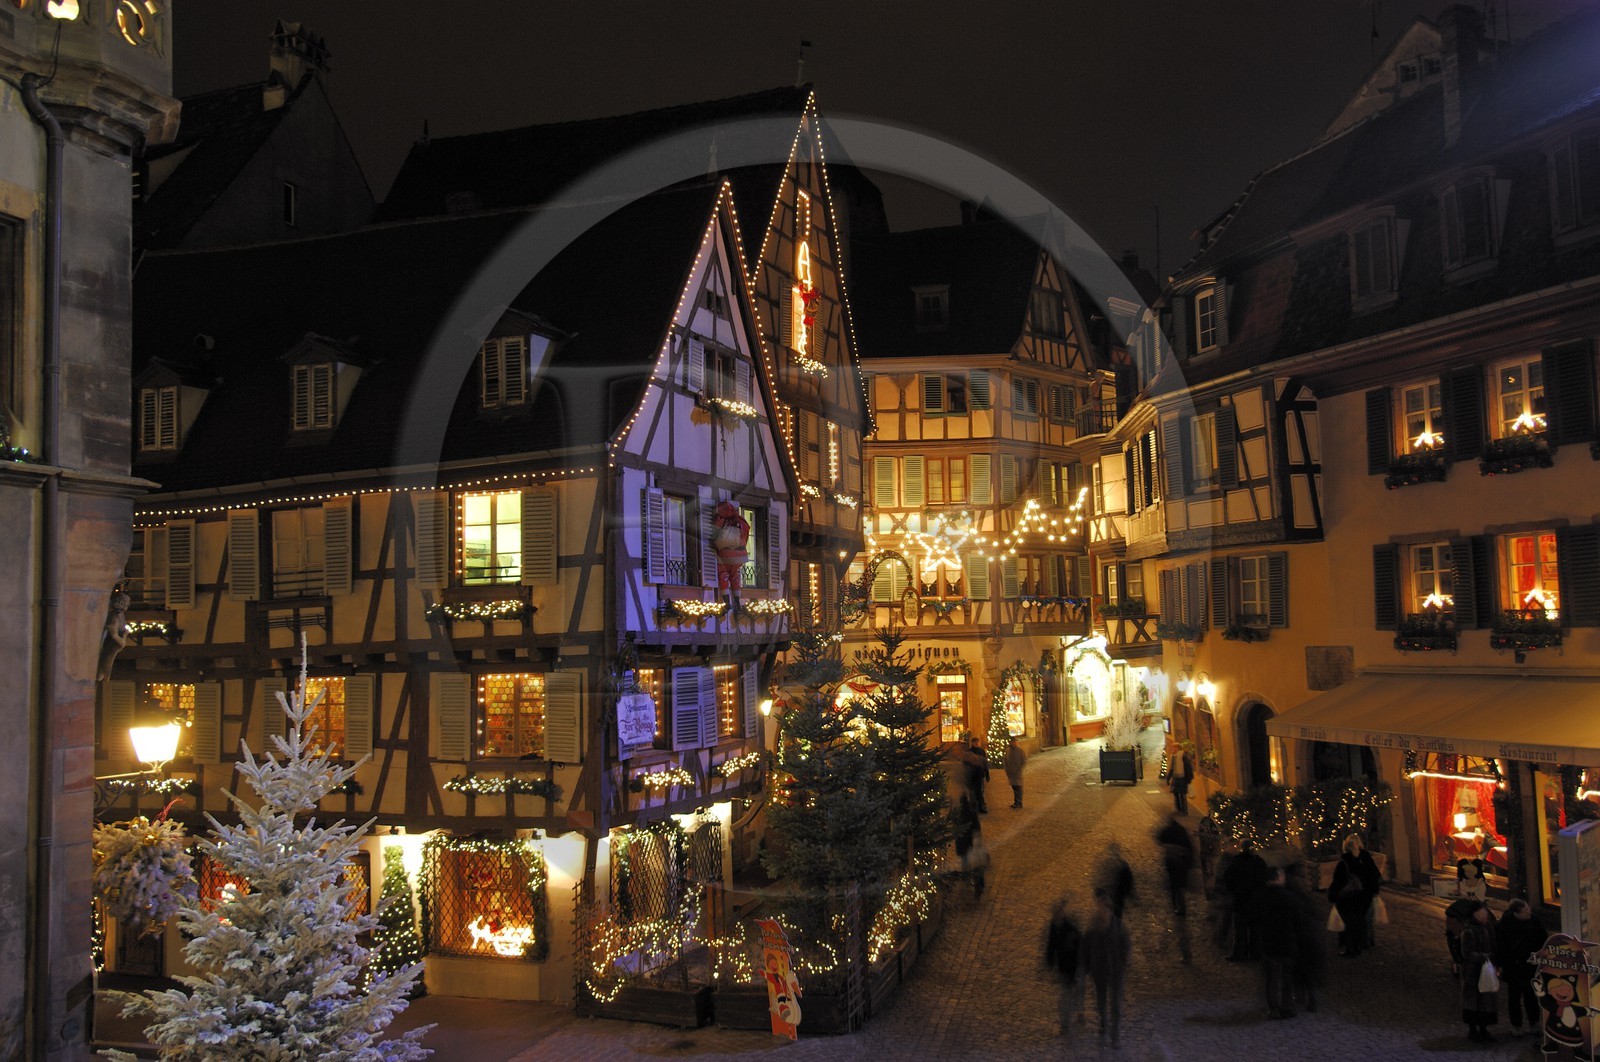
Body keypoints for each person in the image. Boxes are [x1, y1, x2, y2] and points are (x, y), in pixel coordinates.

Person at [1078, 888, 1131, 1047]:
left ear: (1109, 909)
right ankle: (1103, 1021)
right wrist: (1083, 968)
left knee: (1116, 1005)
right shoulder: (1092, 928)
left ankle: (1115, 1037)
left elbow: (1126, 946)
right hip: (1099, 971)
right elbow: (1085, 948)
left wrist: (1122, 962)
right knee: (1101, 1001)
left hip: (1116, 972)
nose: (1103, 912)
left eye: (1105, 909)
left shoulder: (1118, 927)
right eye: (1100, 908)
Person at [1494, 898, 1548, 1036]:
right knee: (1514, 997)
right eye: (1525, 910)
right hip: (1514, 966)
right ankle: (1516, 1025)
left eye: (1528, 908)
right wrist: (1500, 964)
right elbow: (1500, 947)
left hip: (1531, 965)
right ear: (1516, 913)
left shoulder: (1534, 921)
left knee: (1532, 995)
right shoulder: (1504, 925)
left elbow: (1543, 938)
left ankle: (1534, 1022)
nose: (1529, 911)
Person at [1256, 864, 1301, 1019]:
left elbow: (1254, 919)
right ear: (1278, 878)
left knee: (1272, 977)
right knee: (1287, 976)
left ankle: (1273, 1008)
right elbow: (1298, 921)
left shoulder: (1261, 897)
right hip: (1286, 942)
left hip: (1269, 942)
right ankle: (1287, 1006)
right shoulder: (1289, 898)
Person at [1326, 832, 1381, 956]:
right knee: (1362, 919)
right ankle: (1363, 942)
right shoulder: (1363, 858)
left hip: (1348, 897)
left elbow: (1338, 881)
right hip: (1363, 895)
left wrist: (1333, 896)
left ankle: (1350, 946)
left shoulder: (1344, 862)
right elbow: (1374, 875)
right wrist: (1373, 891)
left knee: (1348, 922)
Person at [1285, 862, 1327, 1013]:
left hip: (1300, 936)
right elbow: (1316, 913)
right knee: (1307, 969)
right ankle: (1310, 998)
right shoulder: (1304, 892)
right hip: (1308, 935)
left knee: (1299, 968)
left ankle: (1302, 997)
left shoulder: (1291, 892)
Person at [1459, 900, 1499, 1042]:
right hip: (1473, 972)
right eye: (1483, 910)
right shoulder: (1469, 930)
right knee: (1474, 1000)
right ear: (1476, 913)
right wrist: (1485, 957)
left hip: (1486, 969)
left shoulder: (1488, 927)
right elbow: (1467, 953)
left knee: (1486, 999)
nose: (1486, 912)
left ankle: (1483, 1028)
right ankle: (1473, 1029)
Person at [1223, 841, 1268, 960]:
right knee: (1255, 930)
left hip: (1241, 900)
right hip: (1257, 901)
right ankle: (1256, 954)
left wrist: (1233, 890)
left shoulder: (1237, 862)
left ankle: (1239, 953)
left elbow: (1228, 879)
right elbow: (1265, 879)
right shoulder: (1260, 862)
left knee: (1240, 930)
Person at [1044, 897, 1082, 1036]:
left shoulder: (1071, 930)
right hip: (1064, 968)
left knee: (1066, 996)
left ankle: (1066, 1022)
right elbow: (1051, 944)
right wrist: (1049, 961)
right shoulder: (1054, 926)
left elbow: (1079, 946)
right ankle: (1067, 1021)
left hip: (1072, 968)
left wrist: (1080, 966)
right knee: (1067, 995)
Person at [952, 794, 987, 898]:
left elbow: (955, 829)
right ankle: (978, 884)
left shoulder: (958, 814)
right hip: (971, 843)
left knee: (965, 862)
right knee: (976, 864)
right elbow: (977, 827)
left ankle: (966, 878)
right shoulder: (971, 813)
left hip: (963, 843)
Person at [1096, 843, 1136, 919]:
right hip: (1117, 896)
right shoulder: (1122, 865)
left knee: (1108, 913)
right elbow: (1128, 882)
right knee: (1117, 913)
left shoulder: (1103, 864)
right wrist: (1131, 894)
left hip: (1106, 896)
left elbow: (1098, 880)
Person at [962, 740, 990, 814]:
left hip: (979, 774)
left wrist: (987, 774)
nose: (976, 743)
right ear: (972, 743)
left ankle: (981, 806)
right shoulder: (968, 752)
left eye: (977, 742)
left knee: (979, 792)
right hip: (971, 775)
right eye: (975, 742)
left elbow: (985, 763)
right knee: (972, 792)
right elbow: (964, 764)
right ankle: (974, 806)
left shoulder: (981, 751)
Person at [1169, 744, 1194, 816]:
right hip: (1175, 778)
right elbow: (1171, 769)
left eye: (1174, 748)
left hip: (1183, 778)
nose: (1172, 749)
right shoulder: (1173, 757)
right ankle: (1179, 809)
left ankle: (1184, 810)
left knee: (1182, 795)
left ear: (1177, 748)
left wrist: (1189, 778)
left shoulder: (1183, 756)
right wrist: (1168, 778)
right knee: (1176, 794)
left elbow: (1188, 767)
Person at [1004, 739, 1027, 809]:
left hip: (1017, 772)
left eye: (1013, 742)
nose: (1012, 743)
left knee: (1018, 787)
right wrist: (1007, 769)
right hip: (1010, 772)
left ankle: (1019, 802)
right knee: (1014, 787)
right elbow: (1005, 760)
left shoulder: (1020, 751)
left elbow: (1024, 760)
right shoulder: (1007, 750)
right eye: (1011, 742)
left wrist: (1019, 768)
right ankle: (1016, 801)